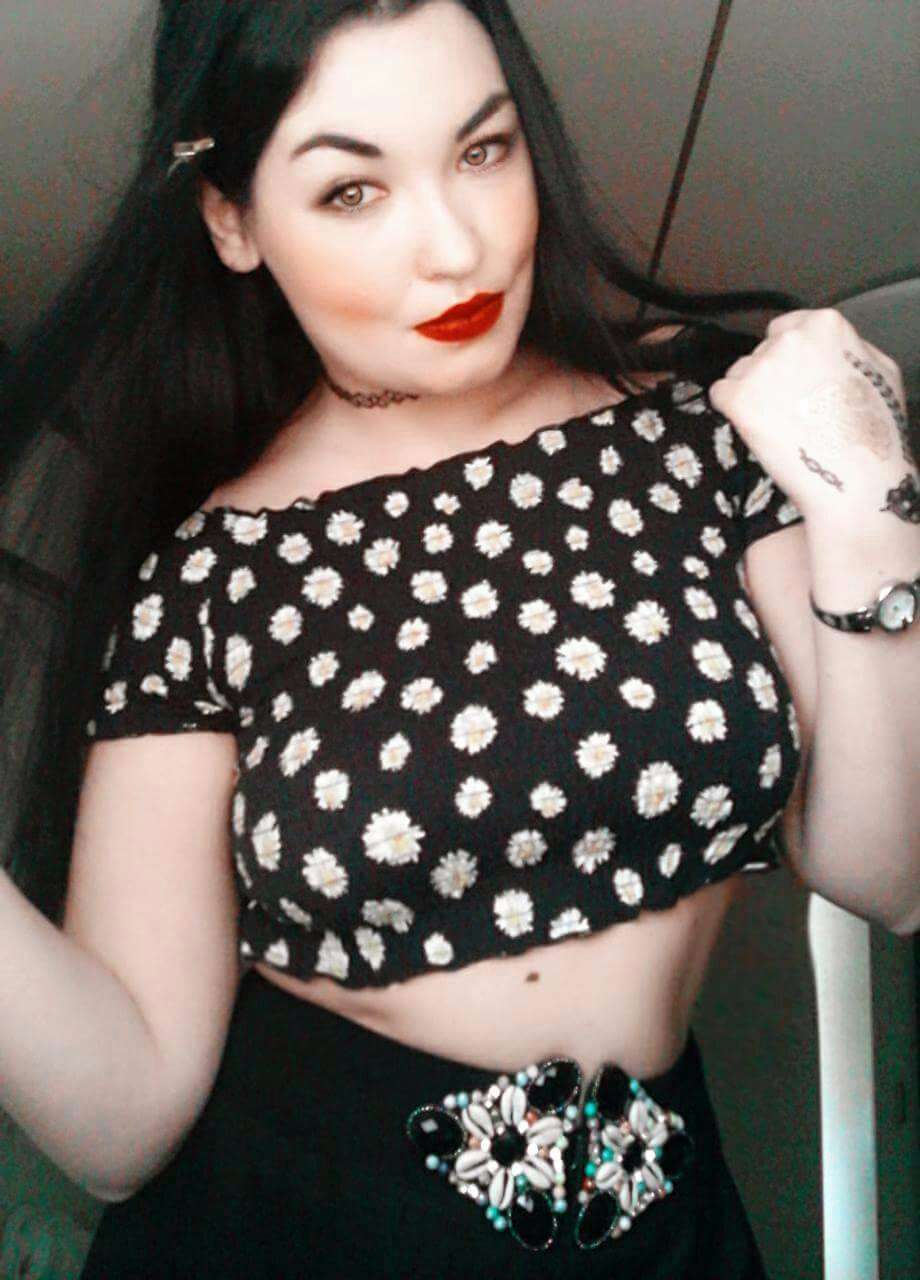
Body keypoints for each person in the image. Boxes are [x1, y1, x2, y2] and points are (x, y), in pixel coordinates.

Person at [1, 2, 916, 1277]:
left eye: (481, 151)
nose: (454, 246)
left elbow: (887, 871)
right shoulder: (207, 578)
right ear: (233, 220)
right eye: (351, 190)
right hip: (288, 1231)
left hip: (663, 1229)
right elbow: (123, 1119)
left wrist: (869, 514)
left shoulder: (705, 431)